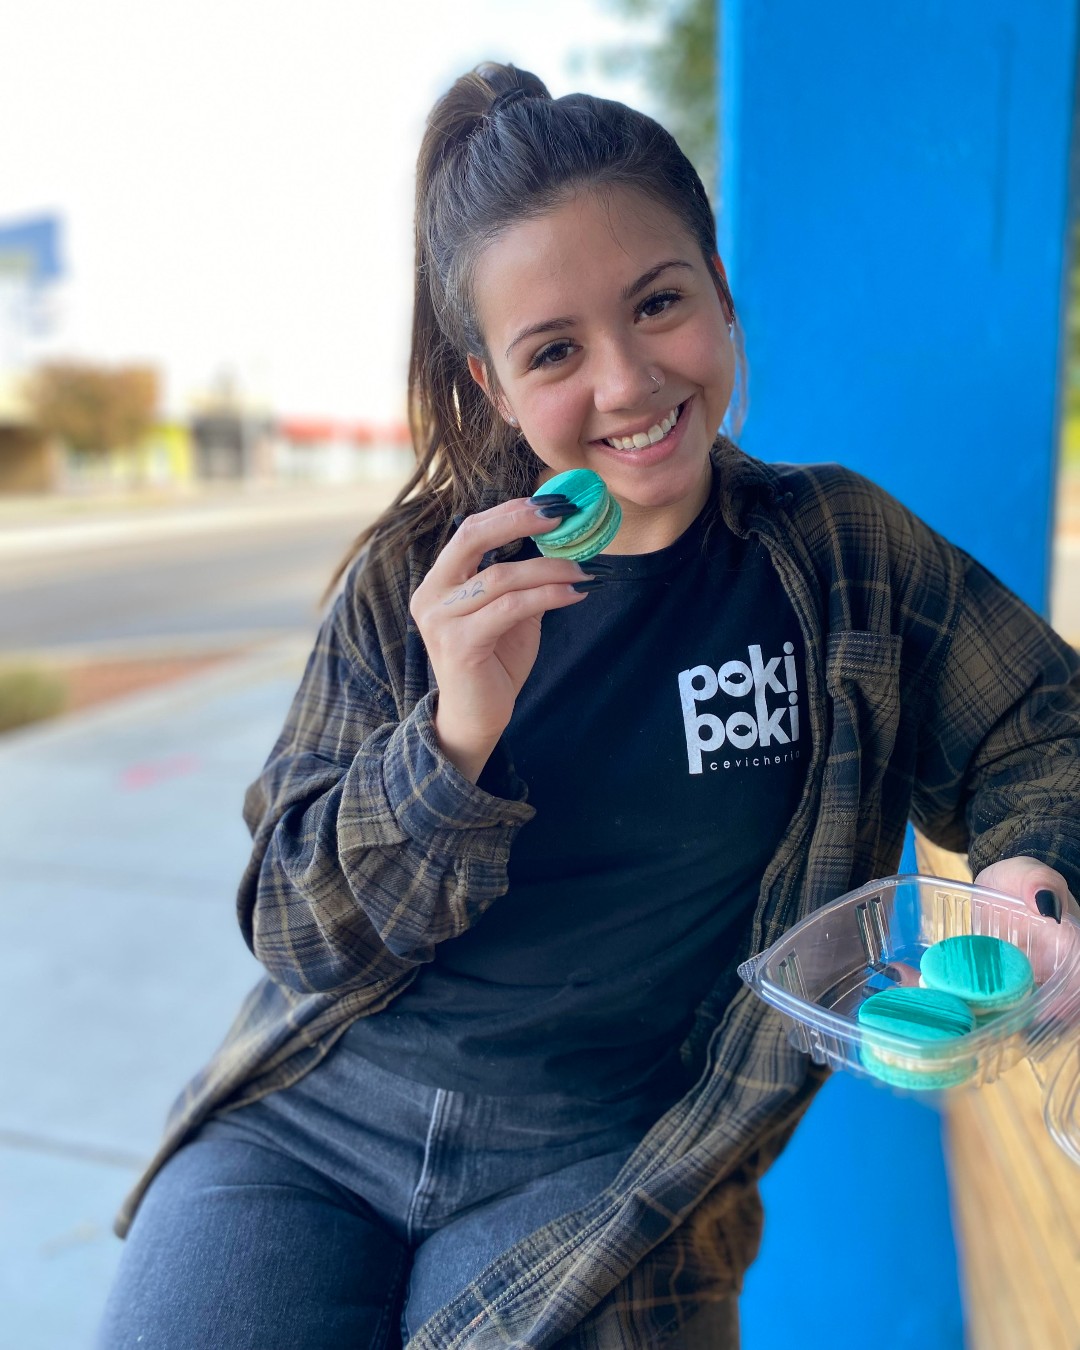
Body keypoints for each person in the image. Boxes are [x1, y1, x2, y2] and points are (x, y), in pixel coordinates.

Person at [97, 62, 1080, 1349]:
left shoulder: (844, 556)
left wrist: (1030, 873)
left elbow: (1041, 726)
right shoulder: (415, 584)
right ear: (492, 384)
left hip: (610, 1152)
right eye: (554, 350)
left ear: (720, 294)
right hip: (315, 1123)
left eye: (658, 303)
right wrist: (450, 741)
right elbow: (296, 931)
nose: (625, 382)